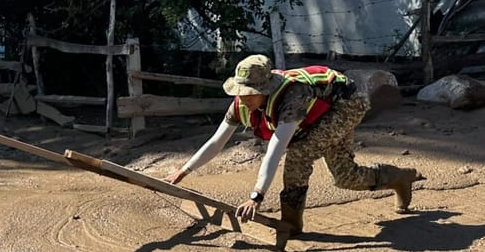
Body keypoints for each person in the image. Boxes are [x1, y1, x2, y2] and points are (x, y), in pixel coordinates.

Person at [163, 54, 424, 236]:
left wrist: (257, 196)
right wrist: (183, 171)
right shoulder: (241, 104)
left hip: (347, 104)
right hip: (321, 112)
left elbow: (276, 149)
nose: (242, 98)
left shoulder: (292, 97)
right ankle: (399, 178)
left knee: (299, 155)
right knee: (345, 177)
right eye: (238, 92)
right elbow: (216, 142)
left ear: (265, 89)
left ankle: (291, 225)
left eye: (248, 93)